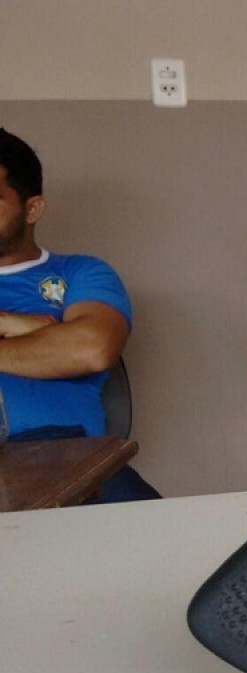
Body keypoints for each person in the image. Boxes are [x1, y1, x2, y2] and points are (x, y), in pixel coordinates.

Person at [0, 127, 160, 503]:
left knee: (167, 530)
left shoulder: (81, 273)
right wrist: (39, 330)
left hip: (61, 454)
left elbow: (92, 348)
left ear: (32, 208)